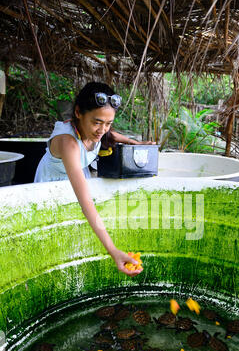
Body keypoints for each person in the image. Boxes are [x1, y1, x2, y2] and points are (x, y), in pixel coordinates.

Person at [34, 81, 154, 276]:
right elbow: (86, 202)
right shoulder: (68, 142)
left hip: (76, 176)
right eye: (97, 122)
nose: (102, 129)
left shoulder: (98, 132)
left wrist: (135, 142)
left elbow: (112, 134)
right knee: (55, 236)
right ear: (78, 112)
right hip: (53, 186)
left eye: (108, 123)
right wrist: (113, 250)